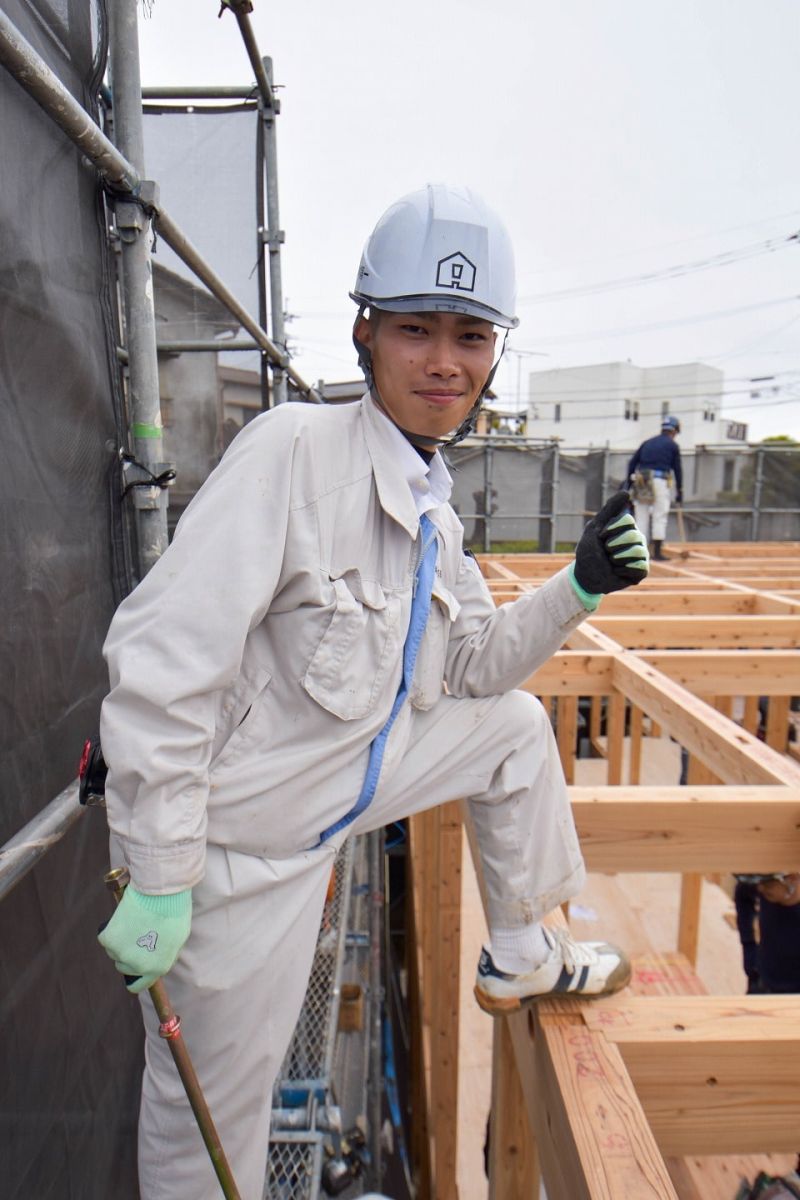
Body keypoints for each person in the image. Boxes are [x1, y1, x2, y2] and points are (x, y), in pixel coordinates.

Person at [96, 184, 649, 1199]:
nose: (444, 361)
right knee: (209, 1123)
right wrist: (160, 869)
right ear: (365, 332)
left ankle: (519, 951)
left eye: (470, 336)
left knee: (513, 728)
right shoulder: (294, 455)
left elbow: (475, 668)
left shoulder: (429, 503)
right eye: (415, 330)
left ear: (493, 351)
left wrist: (576, 588)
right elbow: (162, 661)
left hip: (340, 789)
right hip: (240, 858)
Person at [627, 414, 683, 560]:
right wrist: (680, 491)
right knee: (659, 515)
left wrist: (629, 485)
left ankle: (639, 553)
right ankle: (657, 553)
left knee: (641, 517)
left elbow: (632, 464)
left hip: (642, 480)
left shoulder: (647, 443)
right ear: (674, 431)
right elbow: (677, 469)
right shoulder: (672, 446)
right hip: (659, 481)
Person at [734, 873, 800, 994]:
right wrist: (748, 947)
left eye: (767, 884)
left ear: (793, 879)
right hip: (762, 984)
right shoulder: (768, 884)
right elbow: (742, 896)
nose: (760, 888)